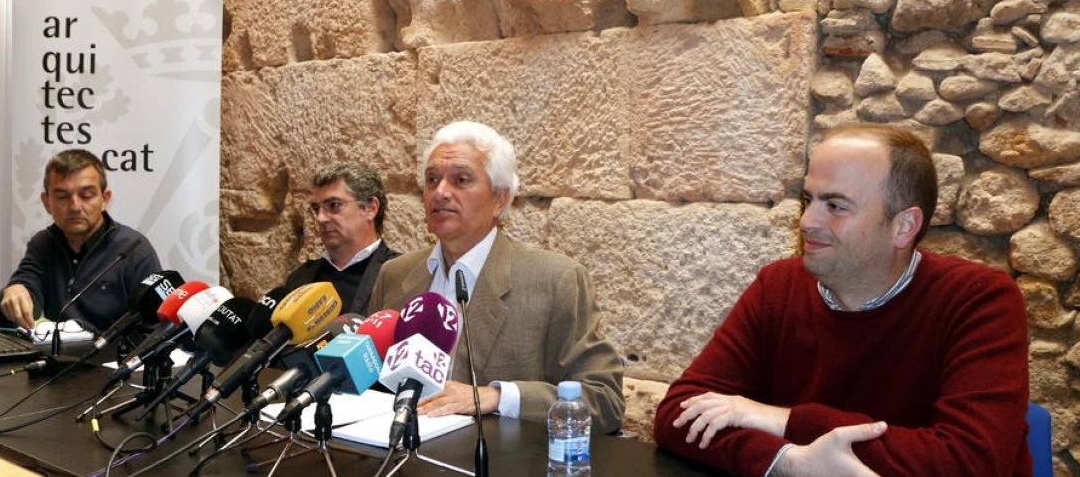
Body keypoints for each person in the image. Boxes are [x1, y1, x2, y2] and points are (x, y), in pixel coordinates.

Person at [654, 124, 1031, 476]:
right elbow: (679, 413)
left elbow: (972, 461)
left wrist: (781, 421)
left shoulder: (978, 300)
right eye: (808, 199)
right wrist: (790, 462)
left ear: (904, 227)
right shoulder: (779, 285)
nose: (807, 221)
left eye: (835, 206)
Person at [368, 121, 625, 432]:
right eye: (432, 180)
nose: (441, 192)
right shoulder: (395, 275)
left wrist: (496, 397)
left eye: (461, 180)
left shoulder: (556, 280)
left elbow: (603, 400)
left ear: (500, 200)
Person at [0, 149, 161, 333]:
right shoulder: (43, 243)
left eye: (86, 195)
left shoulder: (134, 249)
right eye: (62, 197)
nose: (74, 206)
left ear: (105, 199)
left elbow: (154, 330)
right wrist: (15, 291)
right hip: (58, 357)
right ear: (46, 202)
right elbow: (27, 291)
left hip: (114, 360)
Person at [282, 162, 400, 315]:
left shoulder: (400, 275)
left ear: (370, 208)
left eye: (333, 205)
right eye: (316, 209)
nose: (320, 218)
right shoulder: (299, 279)